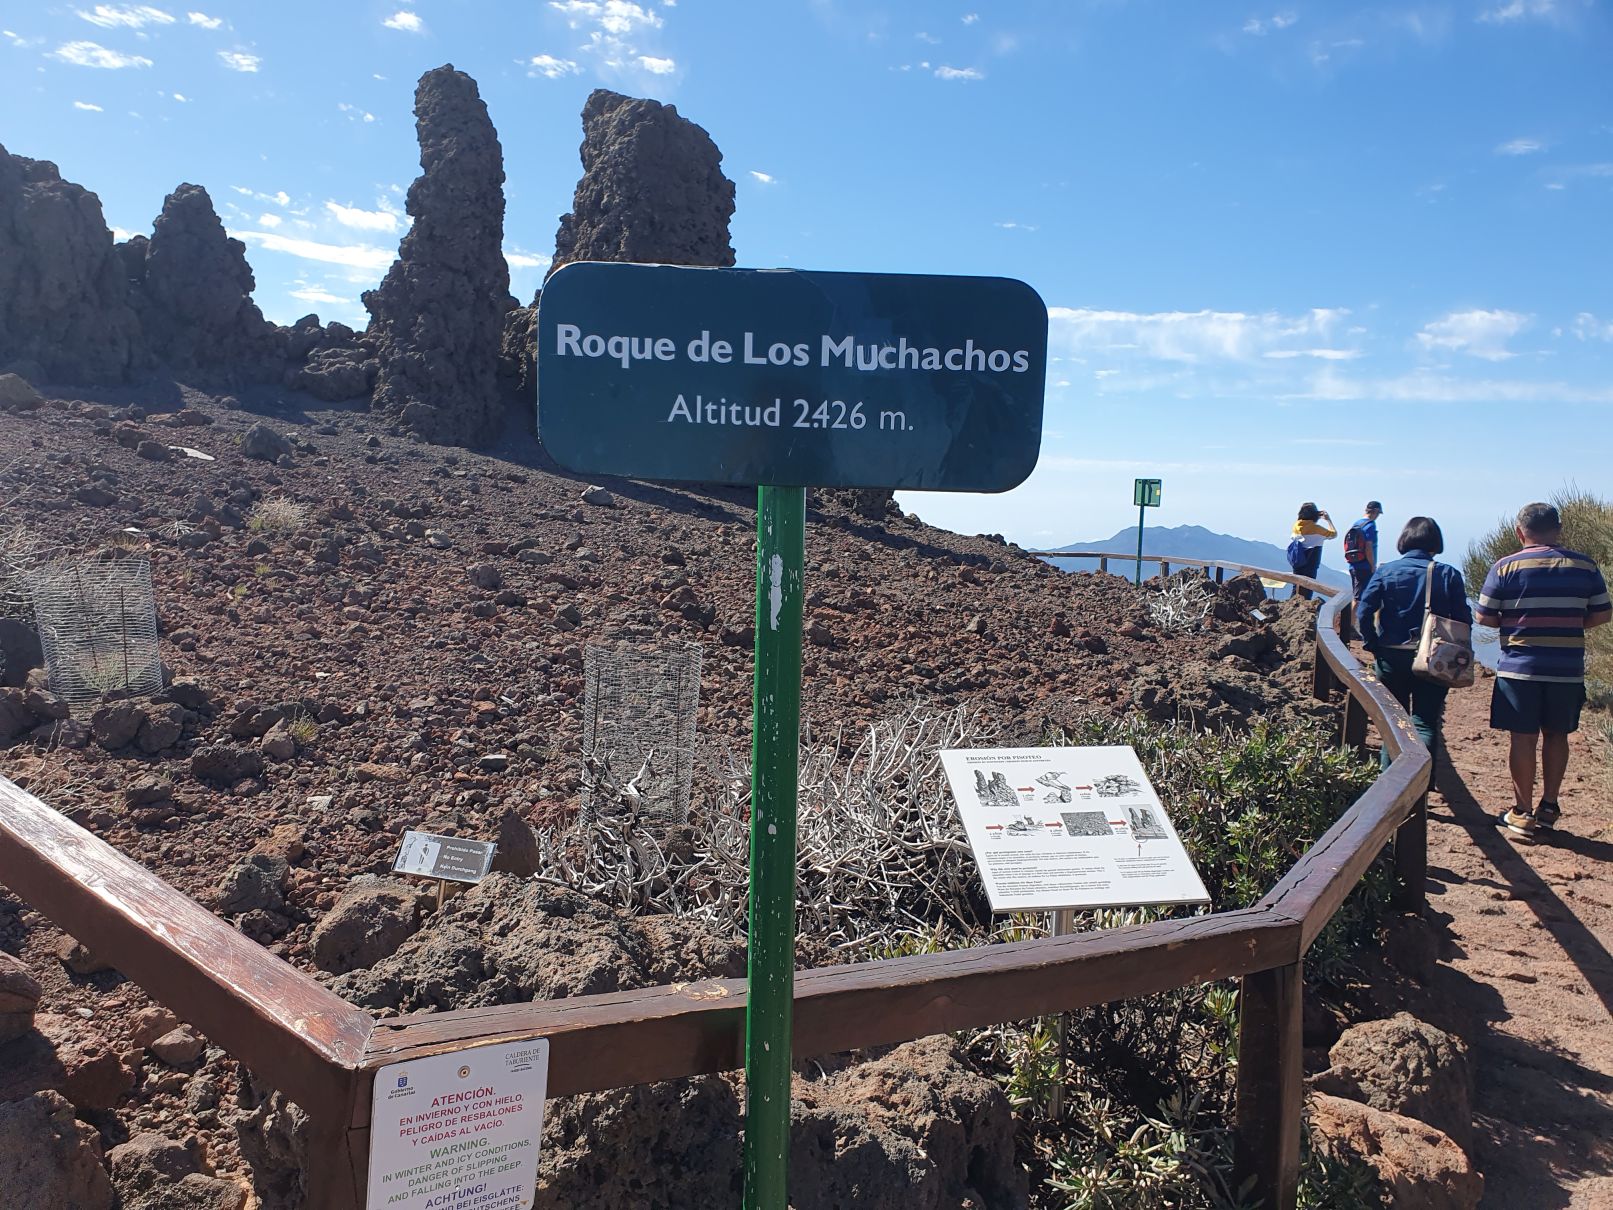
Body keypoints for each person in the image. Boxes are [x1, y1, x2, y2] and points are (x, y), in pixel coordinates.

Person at [1476, 502, 1611, 839]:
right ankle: (1549, 807)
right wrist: (1571, 625)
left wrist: (1517, 624)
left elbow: (1484, 616)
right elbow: (1602, 613)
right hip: (1566, 669)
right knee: (1557, 735)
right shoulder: (1585, 565)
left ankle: (1522, 812)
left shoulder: (1505, 567)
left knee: (1523, 738)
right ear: (1559, 529)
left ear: (1519, 532)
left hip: (1519, 669)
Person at [1357, 517, 1471, 773]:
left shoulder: (1386, 571)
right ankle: (1421, 782)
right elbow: (1463, 619)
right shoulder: (1448, 574)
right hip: (1434, 658)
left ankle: (1390, 780)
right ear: (1435, 542)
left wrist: (1373, 644)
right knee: (1424, 722)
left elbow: (1364, 611)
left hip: (1391, 656)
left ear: (1404, 540)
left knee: (1394, 723)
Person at [1290, 503, 1336, 599]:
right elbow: (1334, 534)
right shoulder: (1317, 529)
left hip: (1297, 560)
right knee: (1308, 587)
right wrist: (1328, 520)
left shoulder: (1296, 526)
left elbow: (1303, 523)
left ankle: (1292, 604)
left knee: (1296, 586)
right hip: (1311, 562)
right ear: (1314, 515)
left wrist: (1315, 515)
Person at [1344, 501, 1384, 605]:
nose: (1377, 516)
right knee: (1359, 598)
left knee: (1357, 595)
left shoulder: (1357, 523)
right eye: (1378, 513)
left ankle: (1354, 616)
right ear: (1375, 511)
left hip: (1354, 564)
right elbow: (1368, 547)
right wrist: (1372, 565)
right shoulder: (1370, 525)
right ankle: (1354, 616)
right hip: (1365, 566)